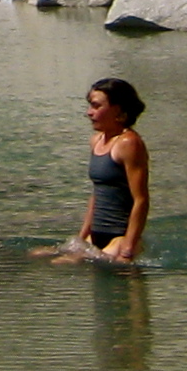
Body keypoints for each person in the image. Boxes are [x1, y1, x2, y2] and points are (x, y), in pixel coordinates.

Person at [37, 77, 149, 264]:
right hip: (96, 234)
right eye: (90, 106)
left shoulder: (129, 143)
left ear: (118, 109)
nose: (89, 113)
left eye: (96, 107)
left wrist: (128, 248)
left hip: (120, 237)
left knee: (62, 264)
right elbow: (97, 194)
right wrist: (80, 239)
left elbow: (141, 199)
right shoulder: (96, 140)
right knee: (38, 256)